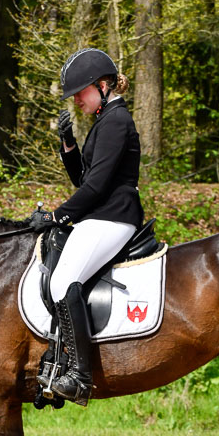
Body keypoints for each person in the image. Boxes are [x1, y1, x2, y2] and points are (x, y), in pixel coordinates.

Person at [30, 47, 144, 406]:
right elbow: (85, 178)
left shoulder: (116, 122)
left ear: (103, 85)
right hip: (103, 214)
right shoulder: (105, 121)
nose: (77, 99)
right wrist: (69, 146)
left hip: (115, 216)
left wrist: (55, 216)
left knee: (64, 282)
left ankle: (79, 377)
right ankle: (57, 365)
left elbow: (94, 190)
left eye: (81, 91)